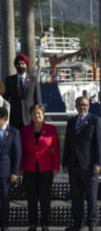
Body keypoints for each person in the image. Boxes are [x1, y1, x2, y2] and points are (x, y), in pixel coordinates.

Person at [63, 96, 101, 231]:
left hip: (89, 166)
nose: (81, 107)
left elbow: (98, 144)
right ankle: (77, 224)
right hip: (74, 166)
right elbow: (67, 144)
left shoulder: (95, 121)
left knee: (91, 198)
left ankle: (92, 224)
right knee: (76, 198)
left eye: (84, 104)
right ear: (75, 106)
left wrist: (98, 163)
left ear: (88, 106)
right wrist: (65, 163)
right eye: (79, 104)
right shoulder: (71, 122)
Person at [22, 103, 60, 231]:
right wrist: (21, 167)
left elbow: (56, 150)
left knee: (45, 198)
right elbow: (22, 151)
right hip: (29, 168)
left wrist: (56, 167)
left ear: (43, 115)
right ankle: (32, 223)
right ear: (31, 116)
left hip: (46, 168)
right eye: (34, 114)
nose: (36, 115)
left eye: (39, 113)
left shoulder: (51, 129)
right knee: (31, 198)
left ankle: (45, 223)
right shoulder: (25, 130)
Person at [5, 53, 42, 129]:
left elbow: (37, 99)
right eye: (18, 64)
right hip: (14, 118)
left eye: (23, 64)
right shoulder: (9, 80)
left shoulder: (33, 80)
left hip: (30, 118)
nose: (20, 66)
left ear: (26, 65)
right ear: (16, 65)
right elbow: (5, 99)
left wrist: (39, 116)